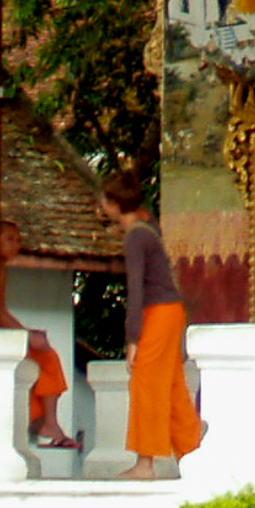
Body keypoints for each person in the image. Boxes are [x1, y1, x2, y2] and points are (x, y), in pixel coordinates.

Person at [102, 167, 202, 478]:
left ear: (114, 205)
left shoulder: (136, 235)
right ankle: (194, 453)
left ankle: (145, 464)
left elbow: (136, 289)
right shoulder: (146, 228)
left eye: (104, 202)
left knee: (145, 382)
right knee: (170, 384)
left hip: (158, 312)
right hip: (169, 311)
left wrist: (133, 339)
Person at [0, 218, 78, 451]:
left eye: (18, 240)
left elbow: (1, 311)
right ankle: (46, 425)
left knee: (46, 356)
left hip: (2, 333)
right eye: (9, 239)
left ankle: (48, 424)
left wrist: (27, 333)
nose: (16, 245)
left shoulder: (0, 269)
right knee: (46, 357)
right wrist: (26, 335)